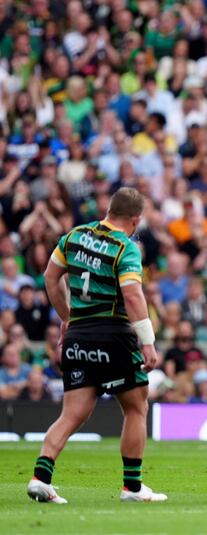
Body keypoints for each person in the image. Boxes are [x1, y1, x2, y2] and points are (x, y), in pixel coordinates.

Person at [26, 188, 167, 504]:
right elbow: (132, 296)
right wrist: (148, 342)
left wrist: (67, 318)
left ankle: (40, 478)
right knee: (135, 407)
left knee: (72, 413)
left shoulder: (73, 236)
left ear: (108, 209)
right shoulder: (125, 248)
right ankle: (132, 487)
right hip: (113, 335)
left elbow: (51, 277)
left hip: (79, 336)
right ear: (135, 220)